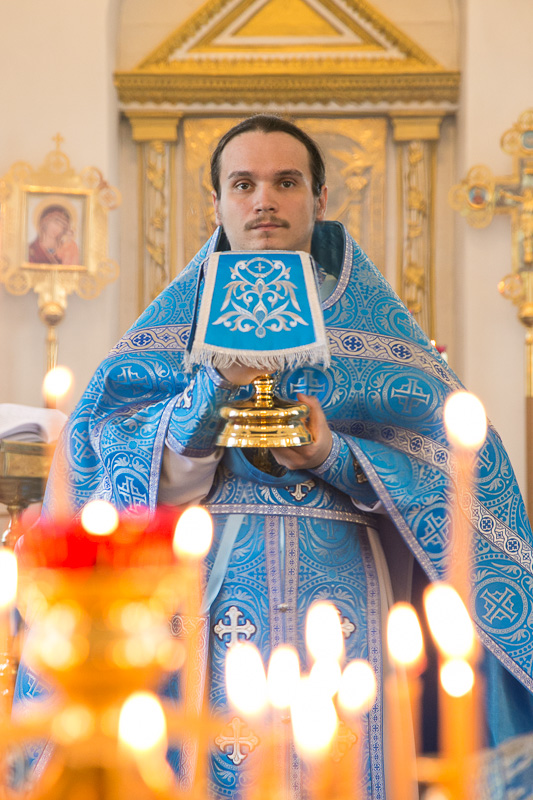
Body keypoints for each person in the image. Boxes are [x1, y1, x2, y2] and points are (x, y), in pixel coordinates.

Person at [15, 115, 533, 798]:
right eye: (244, 184)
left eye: (286, 182)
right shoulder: (170, 329)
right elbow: (106, 464)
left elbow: (455, 473)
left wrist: (333, 454)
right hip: (212, 593)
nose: (264, 200)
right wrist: (210, 391)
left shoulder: (379, 334)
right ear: (217, 203)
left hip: (348, 591)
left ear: (319, 199)